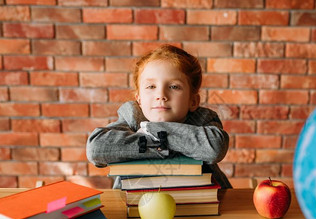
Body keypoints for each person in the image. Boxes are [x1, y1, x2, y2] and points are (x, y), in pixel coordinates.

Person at [86, 44, 232, 189]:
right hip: (136, 201)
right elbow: (95, 149)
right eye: (151, 87)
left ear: (192, 101)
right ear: (139, 100)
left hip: (204, 202)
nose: (161, 95)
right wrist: (160, 144)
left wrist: (152, 131)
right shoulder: (133, 116)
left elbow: (215, 148)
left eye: (174, 87)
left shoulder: (203, 118)